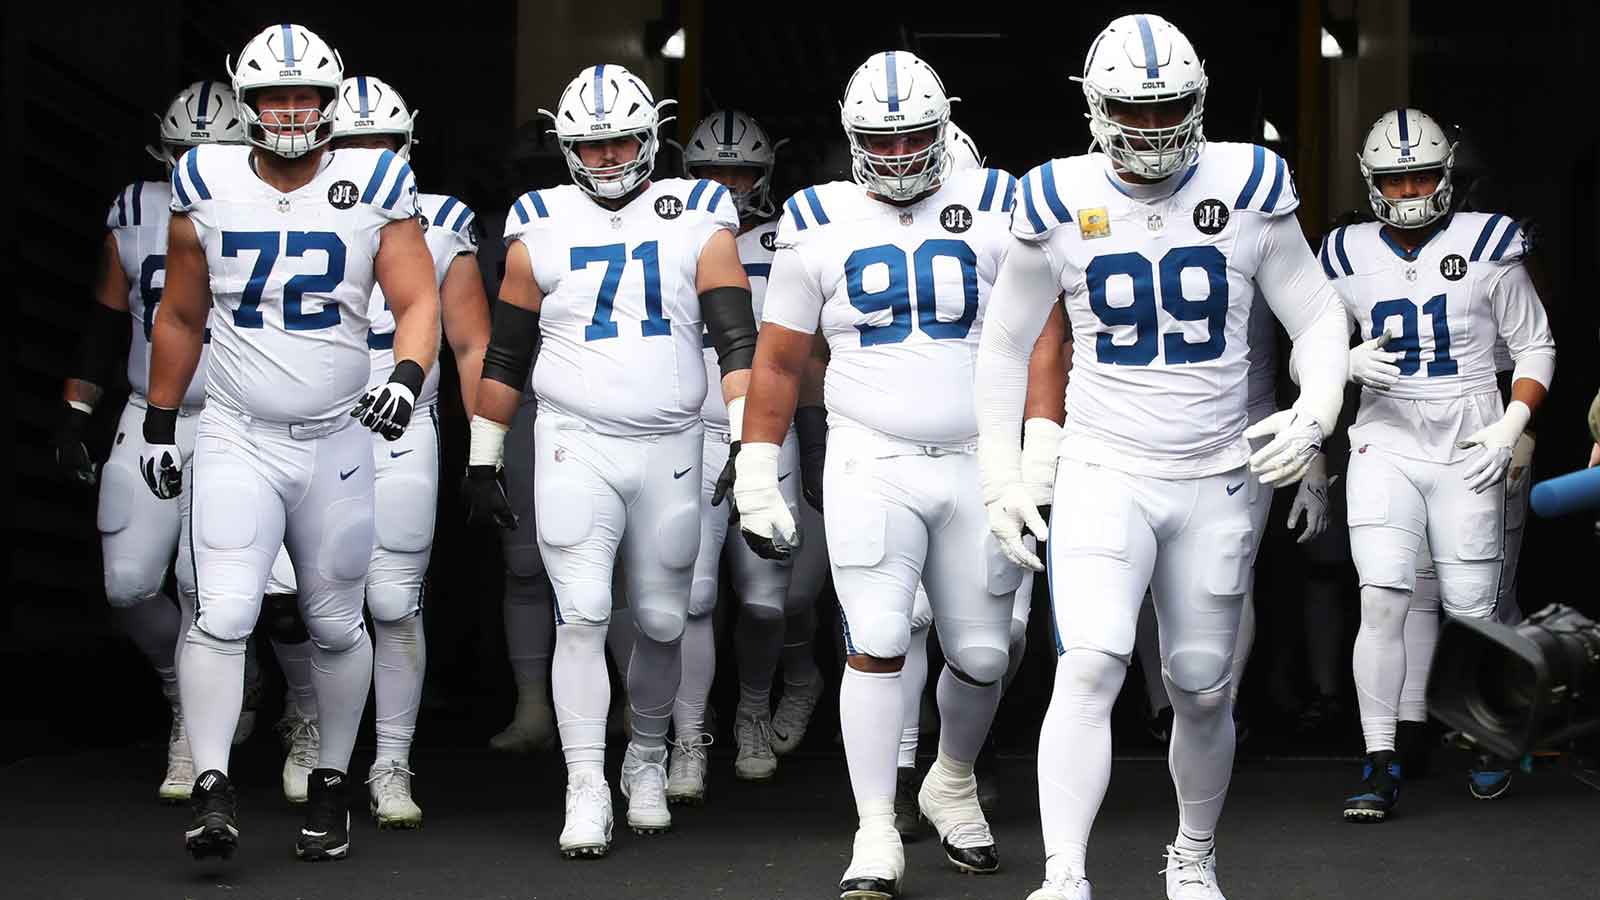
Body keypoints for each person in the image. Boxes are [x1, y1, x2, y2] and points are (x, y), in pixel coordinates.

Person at [973, 14, 1350, 899]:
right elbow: (1005, 344)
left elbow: (1317, 315)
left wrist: (1317, 413)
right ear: (1095, 109)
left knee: (1204, 685)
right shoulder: (1056, 197)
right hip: (1104, 464)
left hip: (1218, 471)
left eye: (1168, 108)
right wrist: (1001, 474)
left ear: (1199, 101)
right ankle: (1065, 874)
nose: (1149, 129)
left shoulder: (1249, 185)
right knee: (1091, 663)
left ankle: (1193, 853)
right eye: (1131, 112)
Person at [735, 50, 1059, 899]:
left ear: (944, 127)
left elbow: (1044, 336)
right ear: (852, 137)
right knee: (878, 638)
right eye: (882, 139)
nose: (900, 153)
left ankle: (951, 776)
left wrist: (1039, 452)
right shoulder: (816, 216)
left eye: (915, 135)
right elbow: (779, 359)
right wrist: (757, 465)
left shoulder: (999, 200)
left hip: (980, 458)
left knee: (985, 652)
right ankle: (875, 827)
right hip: (870, 453)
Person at [139, 23, 441, 862]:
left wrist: (404, 377)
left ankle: (333, 780)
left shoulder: (376, 179)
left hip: (336, 436)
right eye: (275, 97)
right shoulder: (205, 178)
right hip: (237, 431)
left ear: (331, 99)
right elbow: (181, 314)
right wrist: (160, 423)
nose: (292, 110)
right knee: (225, 609)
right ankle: (212, 783)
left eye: (306, 95)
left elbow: (418, 302)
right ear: (247, 103)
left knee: (337, 621)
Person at [462, 64, 756, 857]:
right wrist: (485, 455)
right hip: (574, 439)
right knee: (585, 613)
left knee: (661, 621)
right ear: (566, 147)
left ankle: (648, 756)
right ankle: (586, 780)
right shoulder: (539, 221)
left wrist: (746, 438)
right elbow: (506, 353)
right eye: (591, 145)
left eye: (622, 140)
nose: (607, 157)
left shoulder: (699, 212)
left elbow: (735, 338)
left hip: (670, 442)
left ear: (651, 136)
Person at [1331, 108, 1554, 821]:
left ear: (1447, 176)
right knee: (1382, 596)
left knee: (1472, 609)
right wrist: (1340, 362)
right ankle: (1380, 756)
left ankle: (1488, 734)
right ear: (1372, 181)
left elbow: (1536, 343)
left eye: (1422, 177)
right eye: (1395, 180)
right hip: (1385, 436)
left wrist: (1512, 423)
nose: (1409, 192)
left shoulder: (1489, 242)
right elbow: (1309, 346)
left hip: (1471, 435)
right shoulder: (1344, 251)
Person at [52, 79, 245, 803]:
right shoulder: (136, 210)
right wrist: (77, 410)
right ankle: (178, 684)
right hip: (148, 407)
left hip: (231, 414)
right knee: (129, 583)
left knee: (201, 583)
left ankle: (195, 728)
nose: (193, 166)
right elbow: (107, 319)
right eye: (181, 152)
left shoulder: (270, 208)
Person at [668, 108, 800, 799]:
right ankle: (690, 734)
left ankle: (752, 708)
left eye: (741, 173)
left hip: (770, 431)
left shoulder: (792, 238)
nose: (727, 186)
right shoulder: (669, 231)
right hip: (691, 430)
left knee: (766, 602)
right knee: (692, 598)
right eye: (711, 174)